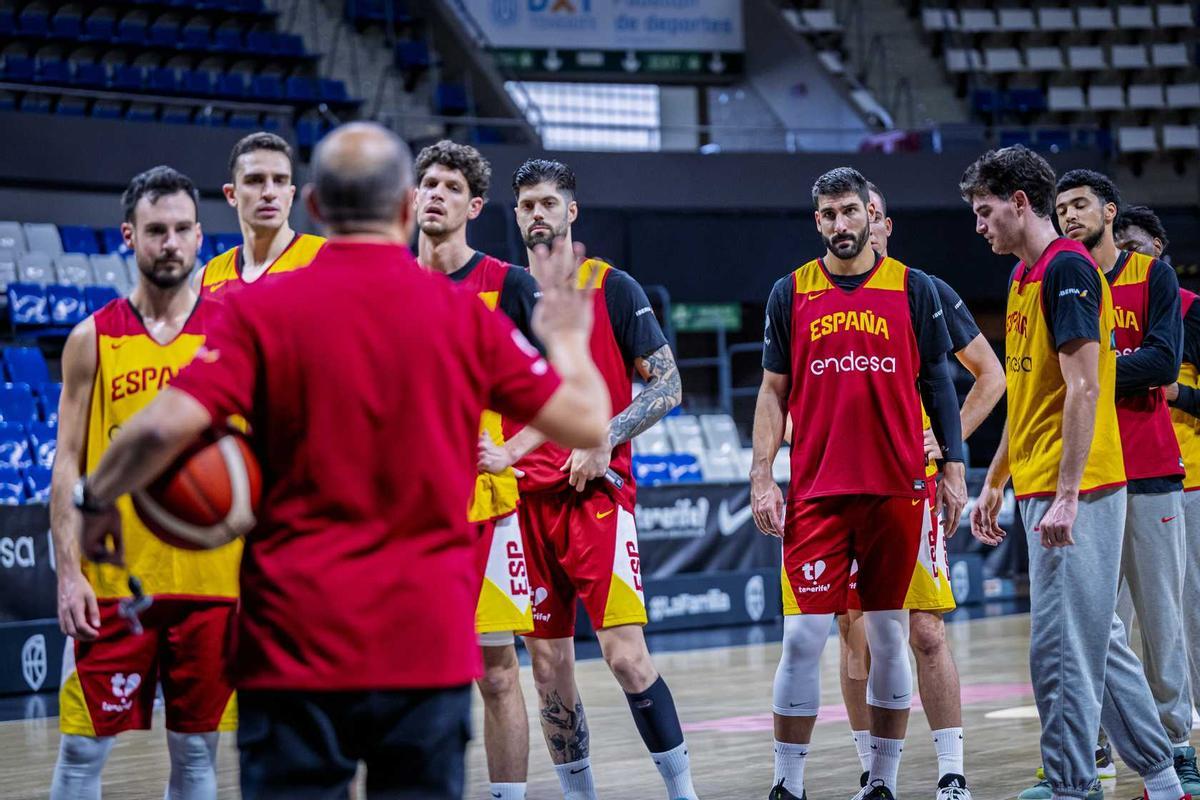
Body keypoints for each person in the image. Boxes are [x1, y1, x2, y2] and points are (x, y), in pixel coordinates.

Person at [70, 122, 613, 800]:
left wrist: (95, 504)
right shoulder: (464, 317)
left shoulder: (255, 310)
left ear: (317, 209)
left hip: (292, 648)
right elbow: (587, 421)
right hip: (424, 646)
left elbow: (156, 433)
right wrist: (566, 340)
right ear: (405, 208)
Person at [965, 144, 1186, 800]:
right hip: (1040, 484)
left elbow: (1087, 389)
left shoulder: (1068, 270)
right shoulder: (1020, 279)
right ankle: (1167, 778)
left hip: (1082, 486)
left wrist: (1065, 496)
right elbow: (1030, 395)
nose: (980, 226)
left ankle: (1072, 786)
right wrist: (995, 477)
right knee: (1101, 644)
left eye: (985, 212)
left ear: (1018, 203)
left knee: (1060, 651)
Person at [479, 158, 698, 800]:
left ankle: (682, 793)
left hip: (596, 499)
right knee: (548, 669)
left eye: (549, 202)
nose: (537, 213)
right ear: (515, 215)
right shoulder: (510, 291)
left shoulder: (615, 287)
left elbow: (669, 383)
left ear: (571, 211)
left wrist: (606, 434)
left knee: (625, 655)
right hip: (524, 501)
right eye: (526, 205)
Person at [751, 166, 967, 800]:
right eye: (828, 215)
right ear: (816, 220)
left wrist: (953, 466)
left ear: (870, 215)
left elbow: (939, 382)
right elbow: (772, 391)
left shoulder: (915, 288)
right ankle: (786, 784)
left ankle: (884, 782)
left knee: (892, 633)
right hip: (817, 493)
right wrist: (762, 474)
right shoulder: (790, 292)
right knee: (803, 637)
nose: (841, 224)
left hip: (898, 490)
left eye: (850, 211)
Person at [49, 166, 238, 800]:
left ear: (199, 235)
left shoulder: (233, 333)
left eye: (184, 228)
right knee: (80, 749)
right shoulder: (92, 339)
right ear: (129, 236)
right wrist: (67, 572)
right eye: (156, 230)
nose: (172, 243)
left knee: (197, 754)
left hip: (213, 581)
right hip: (115, 583)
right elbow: (67, 462)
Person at [836, 181, 1005, 800]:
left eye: (869, 213)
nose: (861, 224)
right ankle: (872, 775)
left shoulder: (921, 290)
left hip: (910, 486)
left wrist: (947, 443)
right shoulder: (809, 293)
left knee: (926, 632)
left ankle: (952, 772)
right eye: (848, 213)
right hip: (842, 488)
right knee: (854, 634)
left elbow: (991, 375)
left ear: (885, 222)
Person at [1051, 170, 1198, 798]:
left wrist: (1092, 369)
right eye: (1060, 209)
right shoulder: (1063, 278)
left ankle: (1180, 744)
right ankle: (1095, 748)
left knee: (1163, 620)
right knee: (1093, 625)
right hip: (1088, 475)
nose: (1069, 217)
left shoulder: (1150, 276)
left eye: (1080, 205)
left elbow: (1164, 361)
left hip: (1152, 471)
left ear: (1109, 211)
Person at [414, 139, 542, 800]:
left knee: (495, 673)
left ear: (474, 203)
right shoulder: (386, 279)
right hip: (402, 516)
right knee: (405, 675)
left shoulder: (509, 284)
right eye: (427, 183)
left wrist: (513, 452)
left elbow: (569, 389)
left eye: (450, 186)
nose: (435, 194)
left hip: (483, 511)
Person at [194, 131, 324, 298]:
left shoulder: (323, 258)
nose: (269, 193)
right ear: (231, 195)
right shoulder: (206, 278)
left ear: (291, 195)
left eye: (279, 180)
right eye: (255, 180)